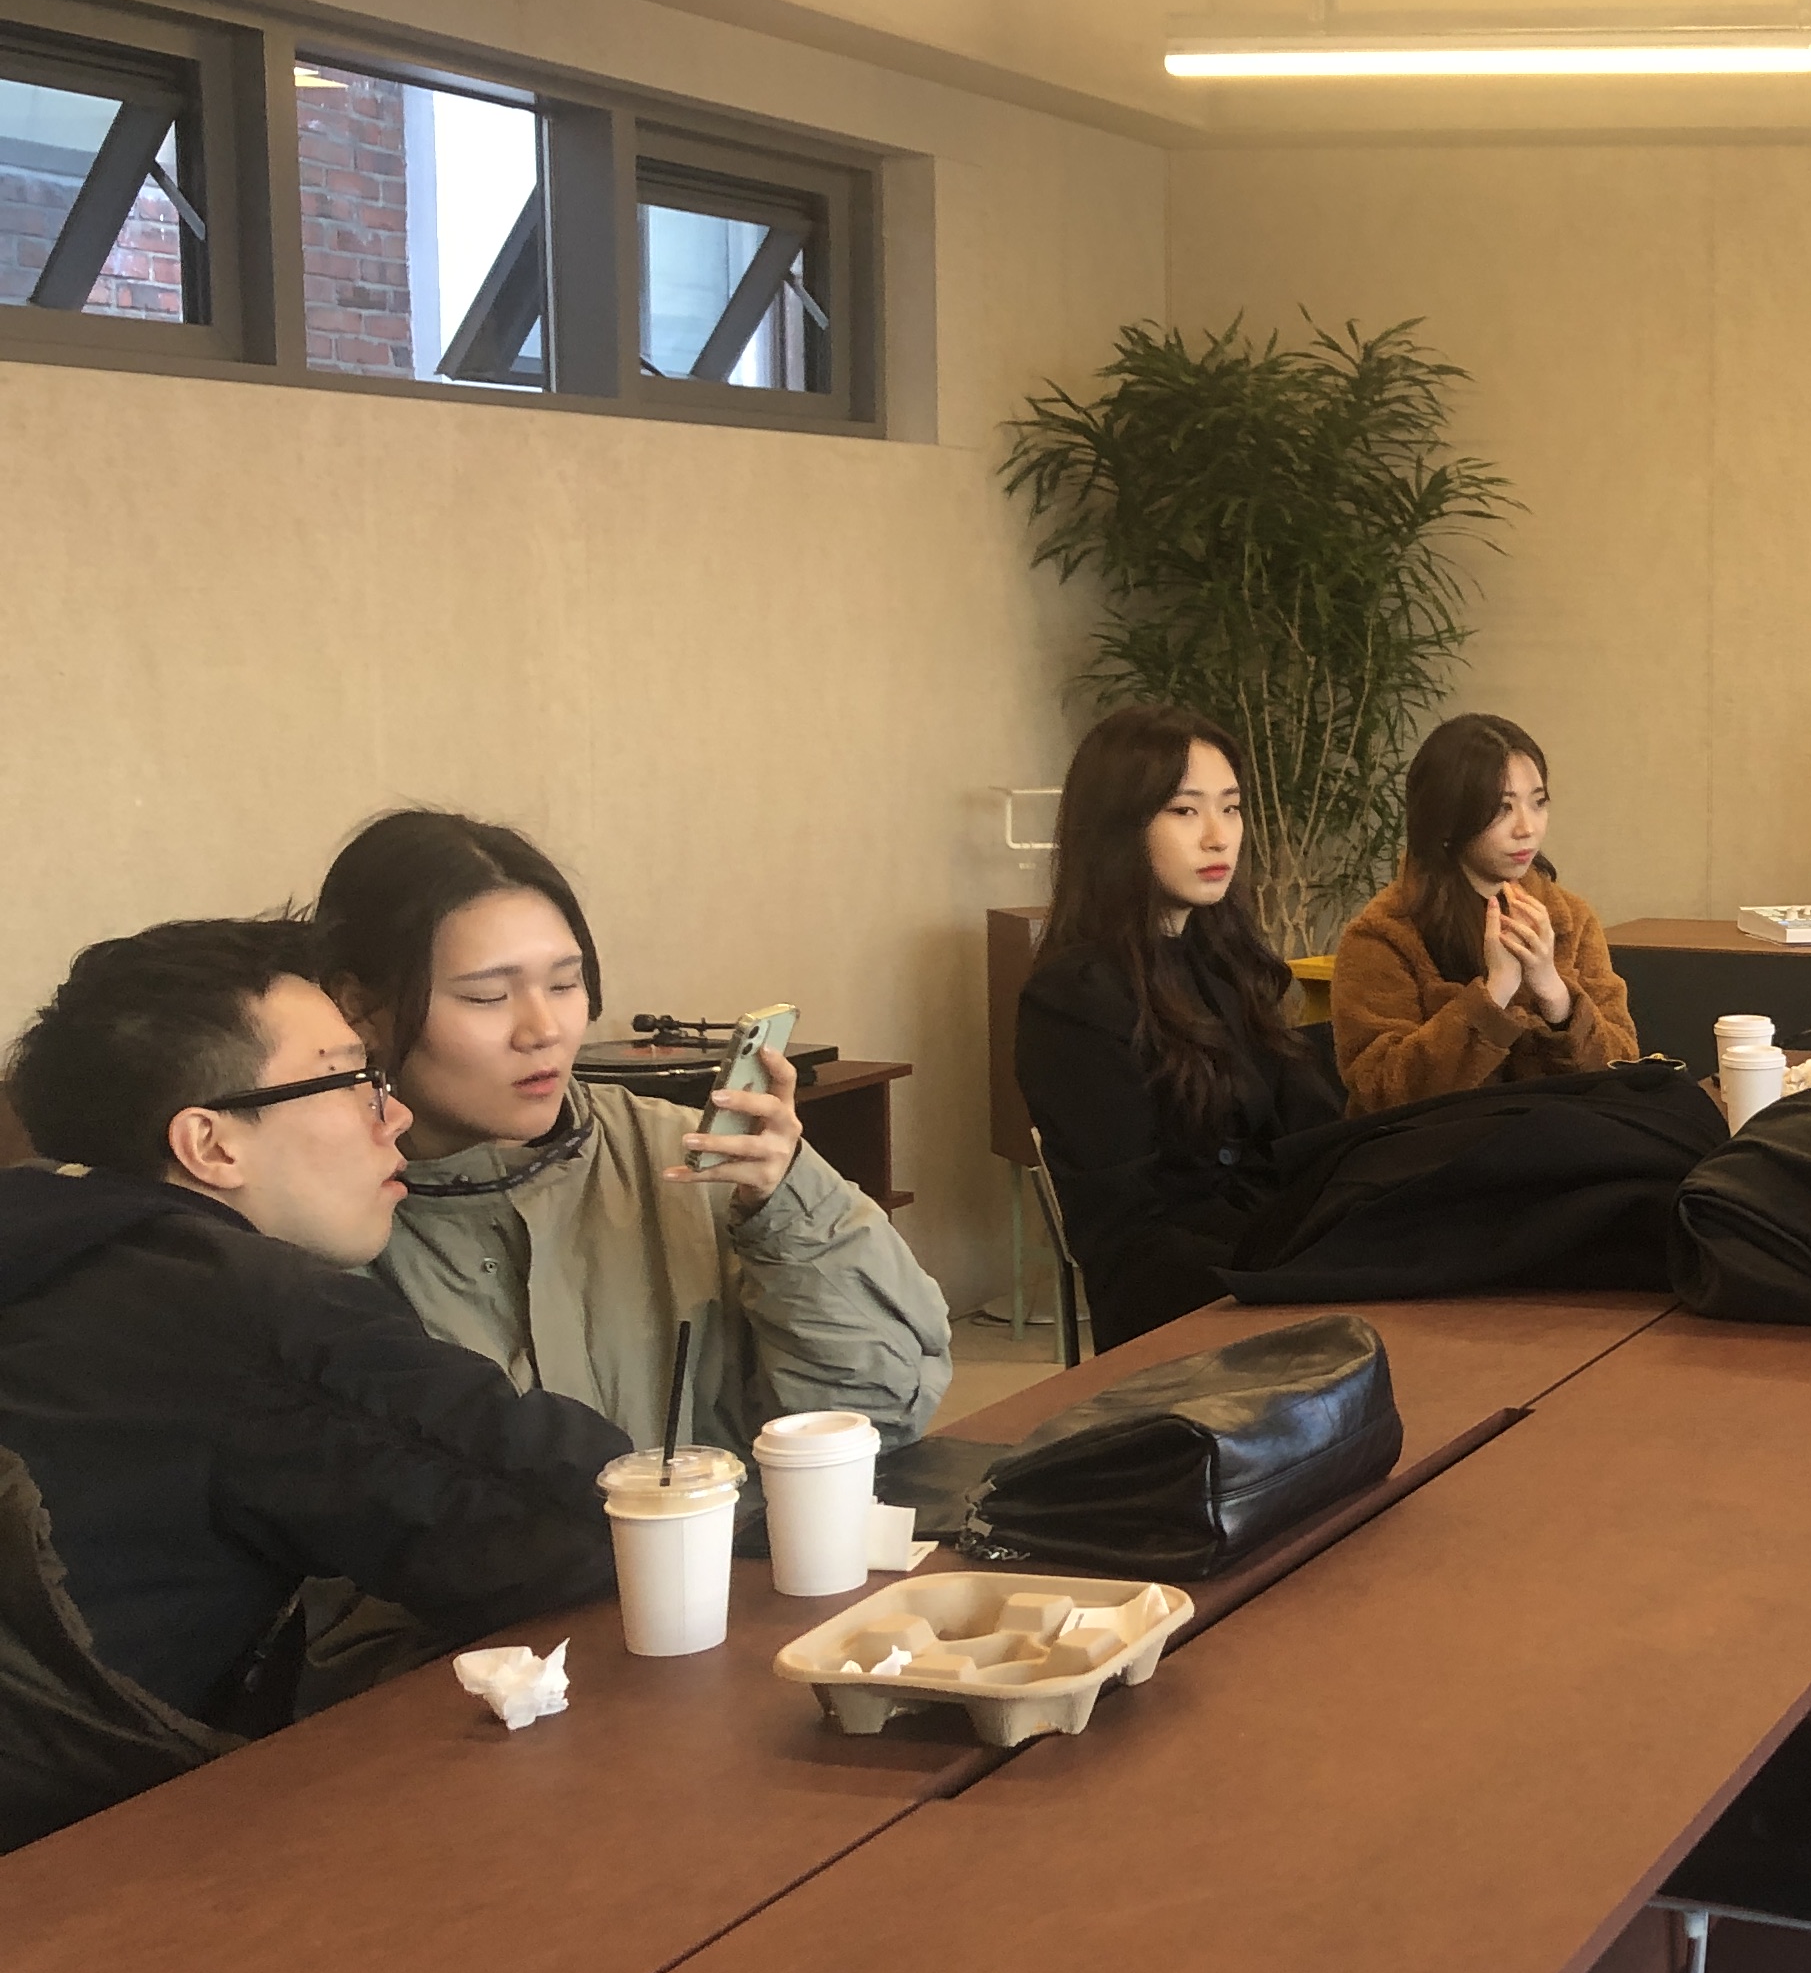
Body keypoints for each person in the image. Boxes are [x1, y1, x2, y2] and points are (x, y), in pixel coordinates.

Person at [0, 920, 627, 1748]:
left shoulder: (48, 1244)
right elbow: (585, 1521)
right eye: (354, 1081)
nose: (395, 1114)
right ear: (211, 1144)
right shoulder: (231, 1308)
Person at [311, 812, 949, 1456]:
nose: (544, 1030)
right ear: (360, 1009)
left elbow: (877, 1415)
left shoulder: (693, 1158)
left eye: (564, 984)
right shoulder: (319, 1211)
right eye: (486, 997)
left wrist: (787, 1212)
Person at [1014, 704, 1345, 1346]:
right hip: (1181, 1318)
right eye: (1185, 811)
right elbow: (1132, 1235)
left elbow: (1305, 1139)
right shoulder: (1073, 998)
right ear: (1120, 828)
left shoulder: (1224, 961)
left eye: (1232, 808)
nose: (1219, 837)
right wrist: (1302, 1264)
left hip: (1272, 1271)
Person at [1324, 712, 1638, 1113]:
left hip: (1563, 1138)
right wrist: (1494, 995)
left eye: (1538, 803)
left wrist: (1556, 996)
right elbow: (1380, 1090)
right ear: (1447, 817)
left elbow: (1623, 1068)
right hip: (1437, 1146)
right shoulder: (1385, 932)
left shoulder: (1569, 918)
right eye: (1502, 808)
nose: (1527, 828)